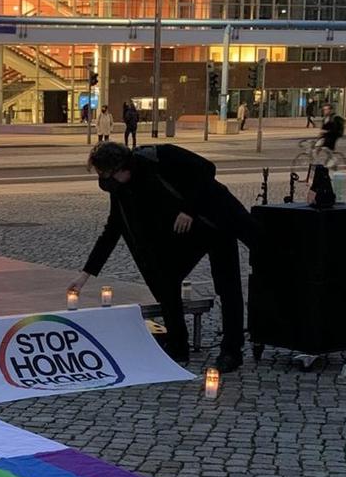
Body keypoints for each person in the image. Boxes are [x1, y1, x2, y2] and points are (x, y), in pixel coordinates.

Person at [71, 142, 255, 371]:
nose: (104, 180)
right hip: (185, 233)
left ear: (120, 167)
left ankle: (231, 350)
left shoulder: (159, 157)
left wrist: (189, 209)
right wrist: (85, 274)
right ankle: (178, 345)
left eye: (106, 174)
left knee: (228, 286)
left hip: (213, 220)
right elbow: (113, 228)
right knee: (166, 280)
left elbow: (206, 168)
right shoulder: (118, 188)